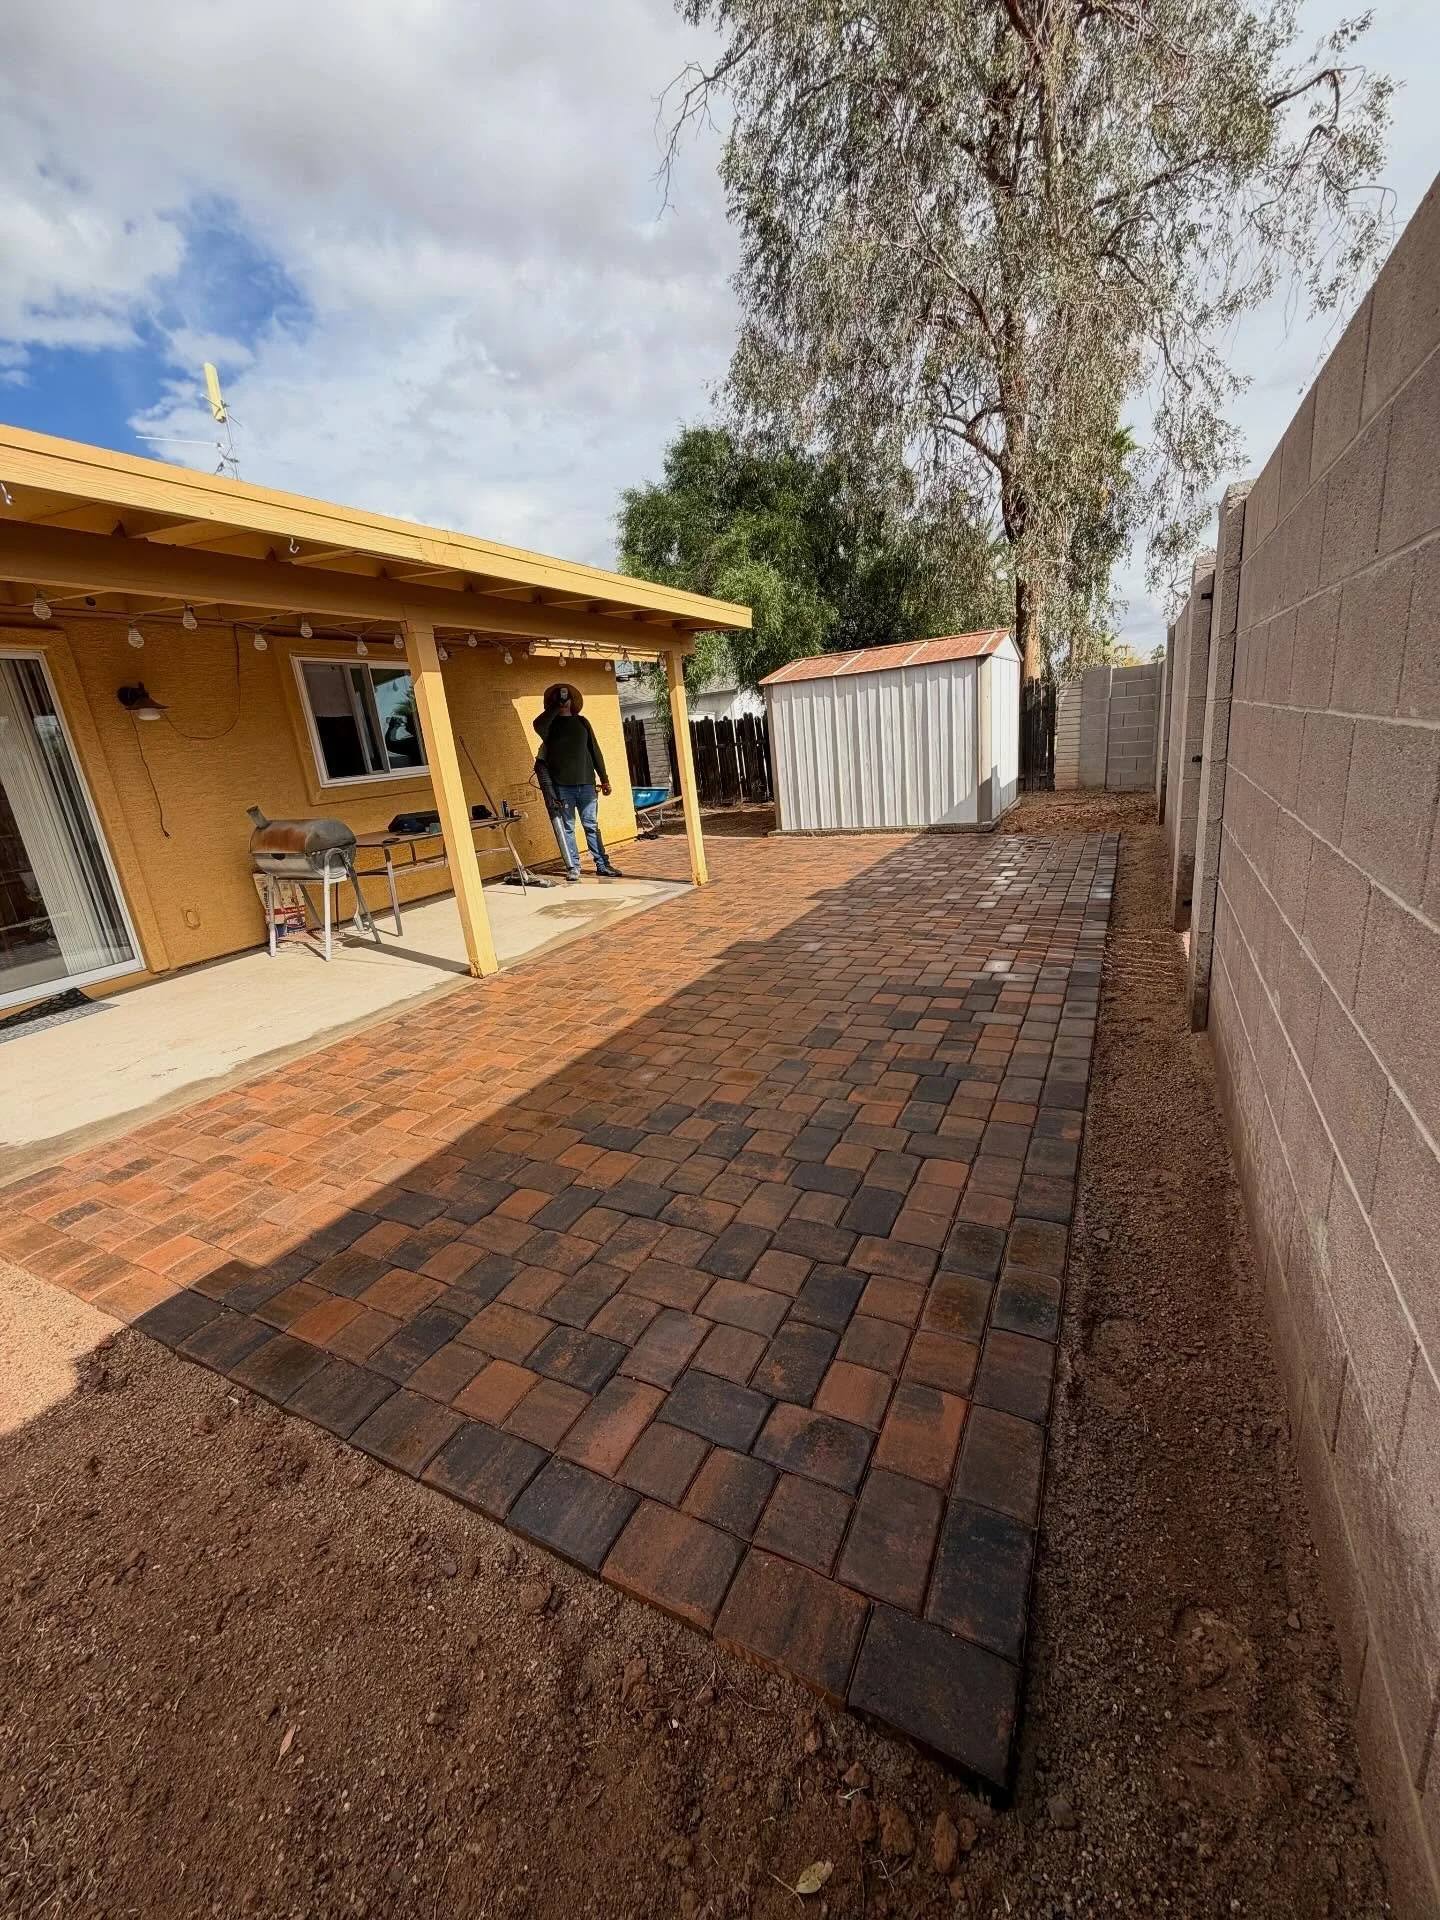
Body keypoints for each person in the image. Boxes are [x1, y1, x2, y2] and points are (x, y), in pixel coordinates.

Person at [533, 683, 622, 881]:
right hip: (562, 786)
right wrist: (556, 706)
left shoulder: (582, 723)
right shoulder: (549, 727)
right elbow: (537, 724)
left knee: (591, 825)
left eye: (566, 698)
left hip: (587, 785)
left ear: (573, 700)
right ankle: (573, 867)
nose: (564, 702)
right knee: (568, 827)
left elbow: (594, 750)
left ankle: (602, 864)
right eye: (560, 698)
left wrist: (604, 778)